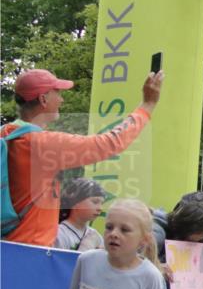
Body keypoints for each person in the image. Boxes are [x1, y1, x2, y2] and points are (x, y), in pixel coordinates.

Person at [2, 68, 162, 247]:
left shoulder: (6, 135)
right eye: (58, 93)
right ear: (43, 99)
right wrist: (146, 106)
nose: (62, 99)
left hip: (7, 244)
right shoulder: (42, 143)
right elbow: (109, 143)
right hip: (31, 249)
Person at [54, 178, 107, 252]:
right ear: (75, 202)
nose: (100, 208)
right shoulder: (59, 234)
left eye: (102, 203)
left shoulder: (96, 236)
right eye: (95, 202)